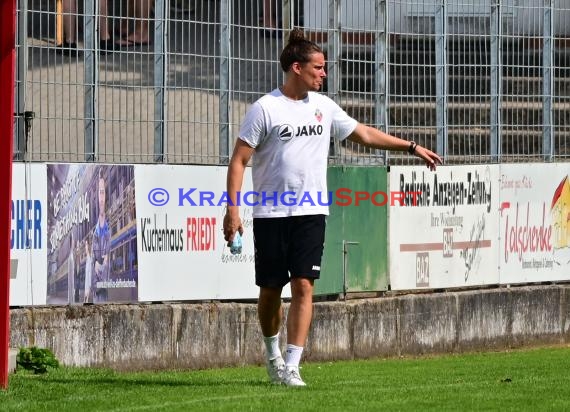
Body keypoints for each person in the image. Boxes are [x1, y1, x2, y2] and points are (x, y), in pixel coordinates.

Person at [222, 28, 442, 387]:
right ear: (297, 67)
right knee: (270, 291)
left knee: (305, 286)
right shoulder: (265, 108)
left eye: (324, 68)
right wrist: (232, 210)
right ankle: (271, 352)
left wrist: (411, 147)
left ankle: (292, 365)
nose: (324, 74)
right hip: (271, 215)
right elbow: (238, 161)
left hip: (311, 213)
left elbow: (366, 134)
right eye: (319, 68)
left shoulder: (324, 107)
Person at [92, 168, 111, 302]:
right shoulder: (96, 233)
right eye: (100, 193)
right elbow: (95, 260)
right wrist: (96, 264)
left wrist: (104, 262)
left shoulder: (107, 231)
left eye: (103, 193)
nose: (101, 198)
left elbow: (107, 258)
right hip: (97, 289)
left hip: (104, 288)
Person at [67, 231, 76, 304]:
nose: (74, 241)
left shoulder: (72, 255)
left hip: (71, 297)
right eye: (73, 240)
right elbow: (70, 280)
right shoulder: (70, 257)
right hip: (71, 300)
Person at [83, 237, 93, 303]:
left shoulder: (89, 259)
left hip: (88, 280)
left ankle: (86, 300)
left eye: (86, 245)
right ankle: (85, 300)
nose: (85, 247)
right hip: (87, 281)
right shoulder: (88, 258)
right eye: (85, 245)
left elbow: (89, 277)